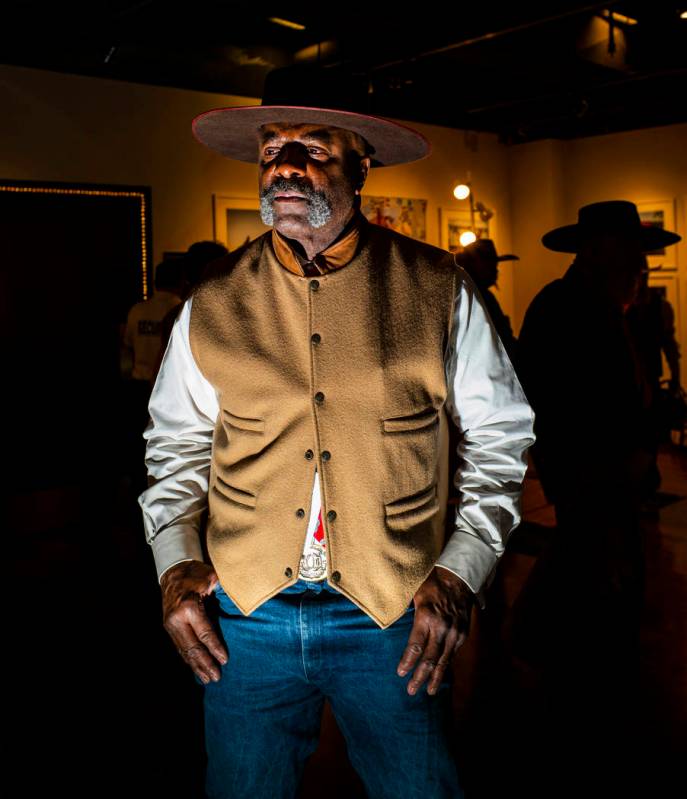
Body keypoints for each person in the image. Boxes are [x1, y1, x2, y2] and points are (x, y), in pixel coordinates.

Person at [139, 65, 535, 799]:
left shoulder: (439, 288)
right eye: (271, 149)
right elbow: (176, 448)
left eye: (312, 148)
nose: (285, 165)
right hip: (243, 618)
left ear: (361, 162)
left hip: (393, 615)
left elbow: (500, 439)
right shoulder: (214, 301)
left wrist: (458, 571)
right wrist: (174, 565)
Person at [514, 200, 681, 791]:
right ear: (606, 252)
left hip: (602, 484)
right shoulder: (566, 311)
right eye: (635, 255)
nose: (643, 267)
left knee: (598, 590)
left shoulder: (600, 308)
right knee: (595, 596)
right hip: (592, 482)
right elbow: (559, 411)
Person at [455, 238, 519, 360]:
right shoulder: (477, 297)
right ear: (477, 263)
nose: (496, 270)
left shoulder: (473, 294)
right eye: (491, 264)